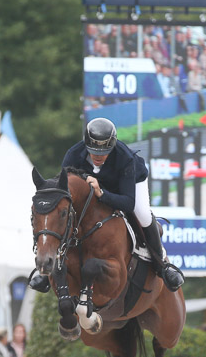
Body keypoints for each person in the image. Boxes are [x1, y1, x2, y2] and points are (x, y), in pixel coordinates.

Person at [29, 117, 183, 294]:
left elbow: (128, 203)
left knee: (143, 215)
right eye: (93, 151)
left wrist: (102, 193)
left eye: (104, 152)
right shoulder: (73, 155)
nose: (98, 156)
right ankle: (48, 269)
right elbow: (63, 189)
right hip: (93, 191)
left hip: (126, 186)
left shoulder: (125, 159)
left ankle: (162, 266)